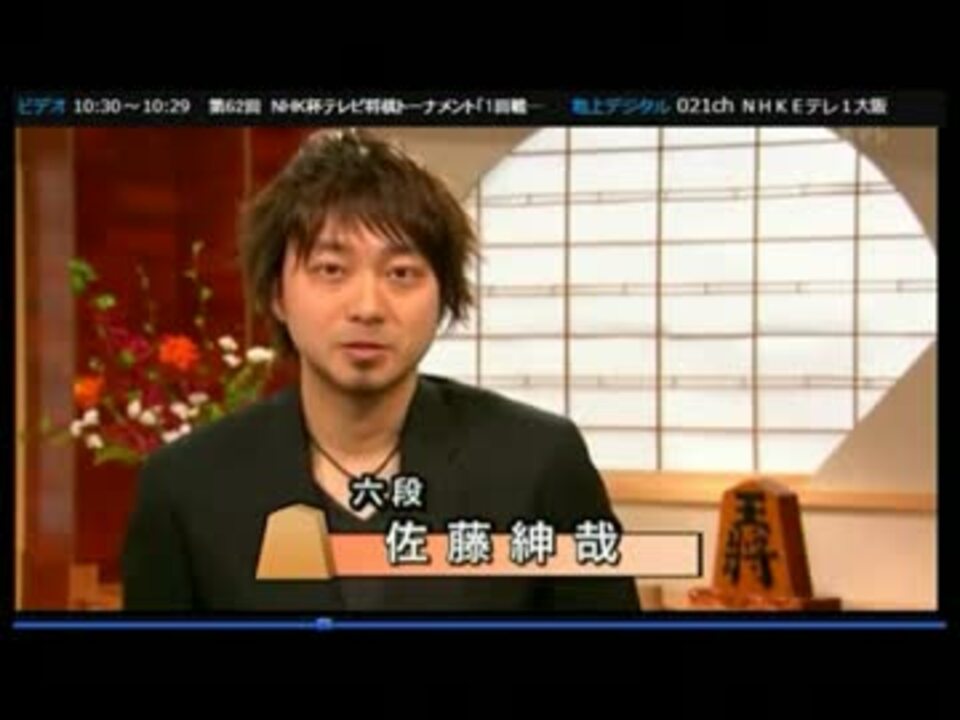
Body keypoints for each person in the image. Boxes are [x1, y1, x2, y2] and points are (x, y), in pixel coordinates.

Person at [121, 128, 640, 613]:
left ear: (443, 296)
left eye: (401, 273)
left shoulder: (538, 463)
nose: (368, 306)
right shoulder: (186, 486)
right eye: (331, 269)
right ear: (278, 294)